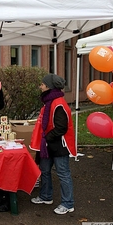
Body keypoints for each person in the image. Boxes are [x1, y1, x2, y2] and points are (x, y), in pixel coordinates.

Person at [29, 73, 77, 215]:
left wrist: (46, 137)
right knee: (45, 170)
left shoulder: (59, 104)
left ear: (49, 87)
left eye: (42, 84)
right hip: (49, 144)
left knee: (63, 174)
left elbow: (61, 127)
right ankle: (45, 196)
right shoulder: (51, 102)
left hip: (59, 145)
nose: (40, 86)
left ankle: (68, 204)